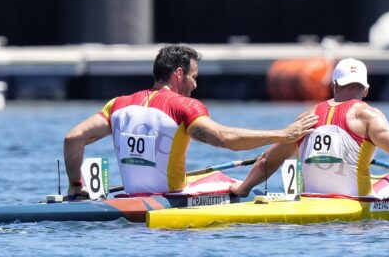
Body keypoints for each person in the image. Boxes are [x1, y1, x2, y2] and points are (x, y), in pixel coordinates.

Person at [64, 45, 318, 198]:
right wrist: (283, 135)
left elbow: (73, 138)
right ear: (178, 73)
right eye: (193, 76)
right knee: (231, 183)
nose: (195, 84)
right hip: (169, 200)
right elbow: (224, 139)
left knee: (212, 175)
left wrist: (76, 185)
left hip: (131, 197)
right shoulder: (184, 106)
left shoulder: (117, 104)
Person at [230, 58, 389, 198]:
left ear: (334, 85)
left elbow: (267, 161)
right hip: (357, 209)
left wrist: (243, 188)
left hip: (311, 203)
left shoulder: (307, 116)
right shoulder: (366, 115)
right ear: (365, 90)